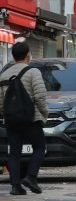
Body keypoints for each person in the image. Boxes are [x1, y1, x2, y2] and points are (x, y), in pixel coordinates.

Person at [0, 42, 48, 195]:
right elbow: (40, 96)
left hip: (12, 120)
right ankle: (31, 177)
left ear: (13, 56)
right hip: (31, 118)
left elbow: (1, 101)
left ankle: (16, 186)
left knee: (14, 153)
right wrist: (44, 114)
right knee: (40, 147)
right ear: (28, 54)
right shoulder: (33, 72)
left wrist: (6, 115)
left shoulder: (4, 75)